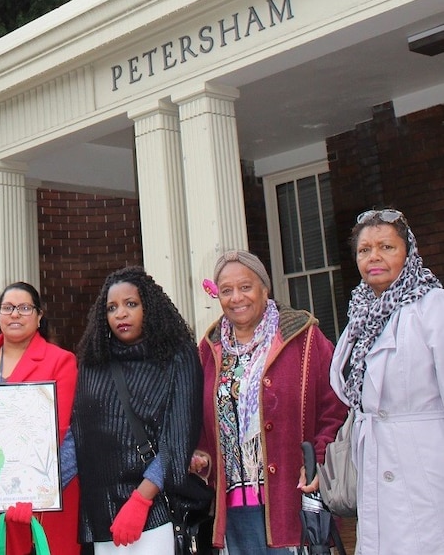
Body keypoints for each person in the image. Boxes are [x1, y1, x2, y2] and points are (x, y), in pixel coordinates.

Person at [193, 250, 345, 554]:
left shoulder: (304, 337)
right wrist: (201, 456)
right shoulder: (209, 349)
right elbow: (197, 418)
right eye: (227, 290)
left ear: (265, 288)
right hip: (234, 511)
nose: (237, 298)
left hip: (293, 501)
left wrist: (318, 459)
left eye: (246, 287)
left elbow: (337, 406)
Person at [65, 266, 203, 554]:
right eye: (112, 307)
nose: (121, 314)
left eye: (131, 304)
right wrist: (39, 487)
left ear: (149, 308)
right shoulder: (93, 363)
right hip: (103, 516)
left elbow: (176, 442)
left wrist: (141, 500)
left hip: (154, 511)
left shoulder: (179, 357)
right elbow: (78, 439)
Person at [330, 208, 444, 554]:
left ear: (408, 252)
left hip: (424, 465)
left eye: (386, 247)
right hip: (374, 465)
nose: (373, 257)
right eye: (364, 250)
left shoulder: (433, 307)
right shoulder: (359, 317)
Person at [0, 282, 80, 555]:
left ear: (39, 317)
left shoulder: (61, 361)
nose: (15, 314)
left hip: (42, 506)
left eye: (25, 308)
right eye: (8, 308)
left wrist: (28, 492)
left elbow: (59, 432)